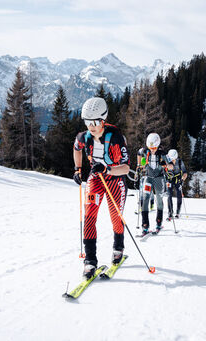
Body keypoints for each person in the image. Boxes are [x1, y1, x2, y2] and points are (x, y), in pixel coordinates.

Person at [73, 97, 130, 279]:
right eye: (88, 122)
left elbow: (126, 168)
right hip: (96, 180)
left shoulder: (115, 138)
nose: (91, 126)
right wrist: (78, 169)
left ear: (103, 119)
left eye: (95, 122)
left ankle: (118, 247)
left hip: (115, 180)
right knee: (89, 216)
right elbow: (76, 148)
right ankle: (90, 261)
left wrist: (107, 168)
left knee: (115, 217)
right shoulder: (84, 137)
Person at [137, 133, 169, 236]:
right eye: (150, 147)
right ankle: (145, 226)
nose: (152, 149)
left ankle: (158, 223)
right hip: (148, 178)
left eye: (154, 147)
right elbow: (138, 153)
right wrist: (138, 166)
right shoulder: (145, 151)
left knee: (159, 200)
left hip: (159, 179)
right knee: (145, 199)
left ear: (158, 145)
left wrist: (166, 164)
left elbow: (171, 166)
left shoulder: (162, 153)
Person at [165, 149, 188, 220]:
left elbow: (185, 173)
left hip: (178, 180)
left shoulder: (180, 162)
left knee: (179, 194)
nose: (172, 161)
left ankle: (178, 212)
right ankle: (170, 212)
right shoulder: (166, 162)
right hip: (169, 179)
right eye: (171, 159)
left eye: (174, 159)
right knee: (169, 195)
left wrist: (182, 179)